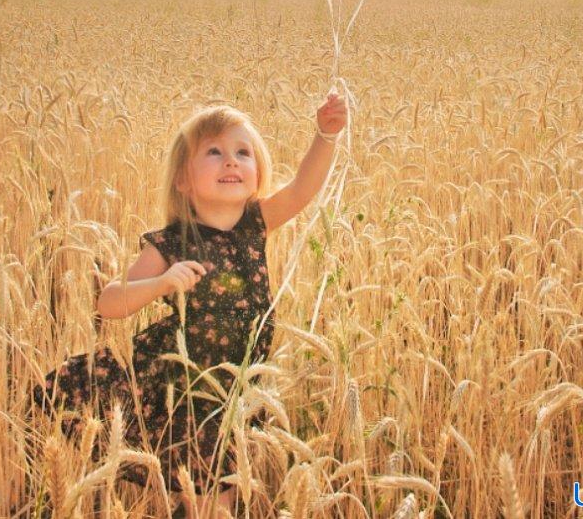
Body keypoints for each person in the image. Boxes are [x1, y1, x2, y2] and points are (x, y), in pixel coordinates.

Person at [32, 91, 348, 518]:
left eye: (242, 152)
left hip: (237, 390)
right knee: (207, 499)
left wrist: (325, 135)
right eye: (214, 152)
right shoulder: (173, 243)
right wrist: (161, 282)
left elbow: (302, 189)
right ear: (183, 179)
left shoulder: (255, 224)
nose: (231, 161)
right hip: (186, 394)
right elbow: (110, 302)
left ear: (257, 171)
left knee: (225, 491)